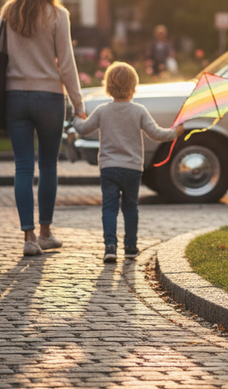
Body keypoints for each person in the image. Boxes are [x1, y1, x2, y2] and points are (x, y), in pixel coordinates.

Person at [0, 0, 86, 257]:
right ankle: (46, 232)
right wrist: (79, 104)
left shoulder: (9, 12)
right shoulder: (57, 15)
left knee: (23, 166)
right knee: (48, 165)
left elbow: (1, 57)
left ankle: (28, 237)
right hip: (48, 97)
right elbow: (66, 64)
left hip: (14, 97)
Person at [73, 61, 185, 263]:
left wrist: (76, 118)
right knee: (130, 207)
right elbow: (156, 134)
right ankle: (131, 247)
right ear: (134, 88)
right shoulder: (139, 111)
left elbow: (83, 129)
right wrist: (174, 132)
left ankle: (110, 246)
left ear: (108, 87)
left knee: (109, 207)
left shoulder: (102, 111)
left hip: (108, 167)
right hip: (132, 168)